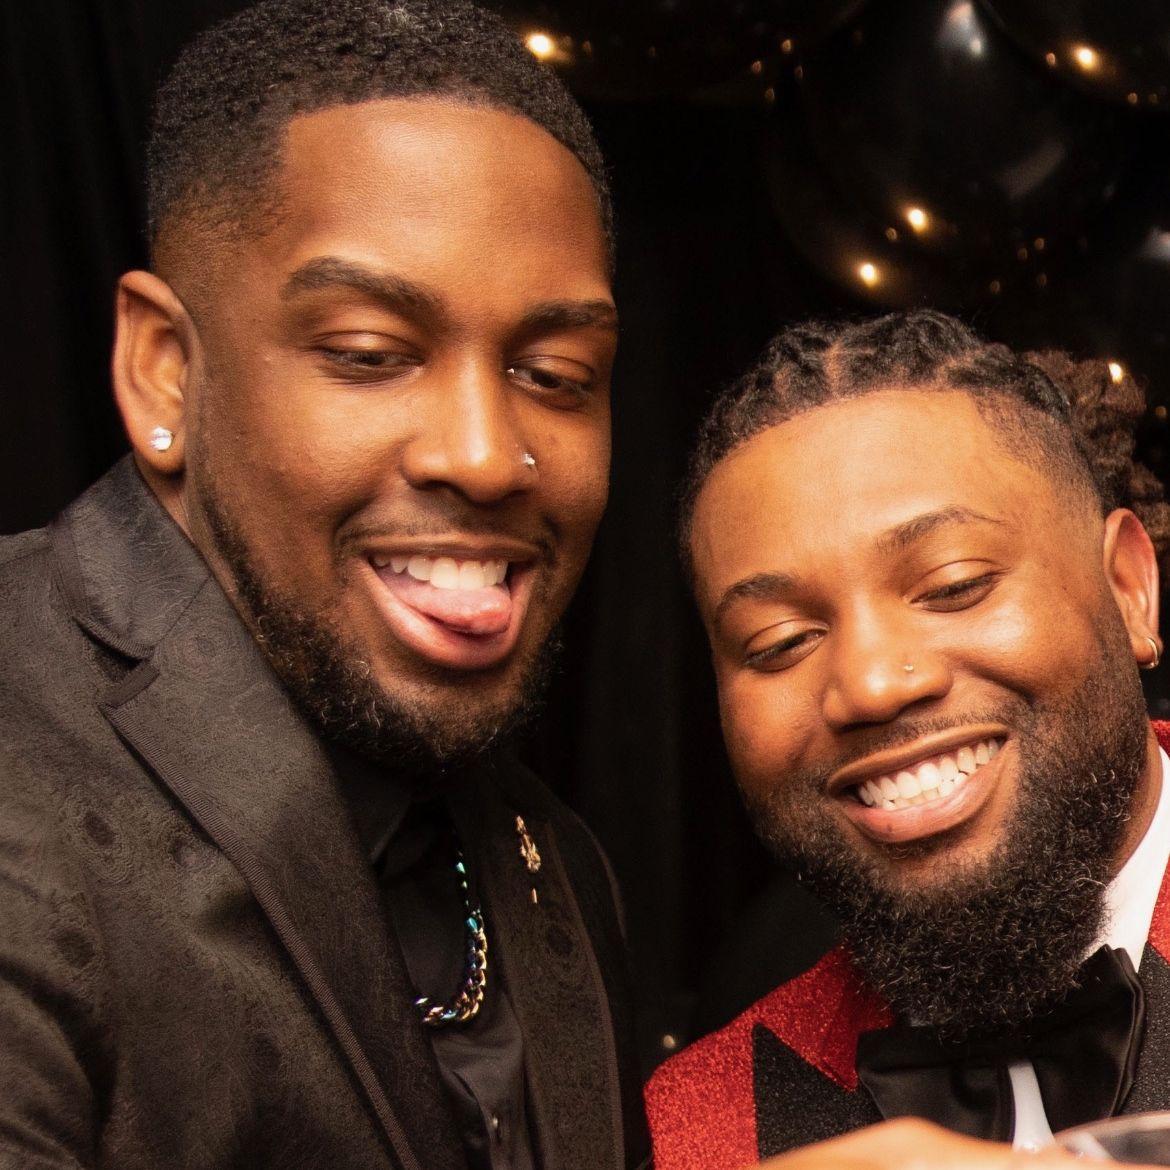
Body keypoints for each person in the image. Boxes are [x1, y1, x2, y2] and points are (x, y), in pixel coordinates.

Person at [0, 2, 646, 1166]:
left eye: (555, 374)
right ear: (164, 371)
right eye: (369, 355)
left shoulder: (556, 859)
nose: (486, 455)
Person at [646, 310, 1170, 1168]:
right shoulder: (697, 1130)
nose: (872, 685)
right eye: (779, 642)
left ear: (1127, 588)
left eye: (953, 585)